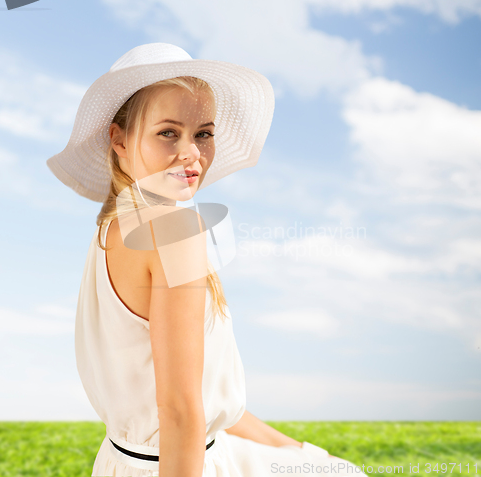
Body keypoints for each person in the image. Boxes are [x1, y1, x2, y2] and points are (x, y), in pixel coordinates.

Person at [47, 43, 366, 477]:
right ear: (119, 139)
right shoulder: (171, 232)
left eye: (203, 133)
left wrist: (310, 455)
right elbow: (179, 413)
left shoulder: (111, 228)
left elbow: (211, 406)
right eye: (168, 132)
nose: (192, 153)